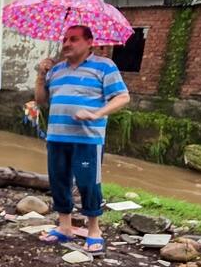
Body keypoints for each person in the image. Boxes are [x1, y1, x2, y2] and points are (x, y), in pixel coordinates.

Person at [34, 25, 130, 255]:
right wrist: (40, 75)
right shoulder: (55, 70)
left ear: (89, 42)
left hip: (88, 139)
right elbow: (40, 101)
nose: (66, 43)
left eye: (73, 39)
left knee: (89, 183)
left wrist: (96, 114)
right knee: (59, 181)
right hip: (57, 136)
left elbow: (123, 97)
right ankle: (65, 227)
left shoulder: (104, 66)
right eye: (65, 39)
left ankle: (94, 231)